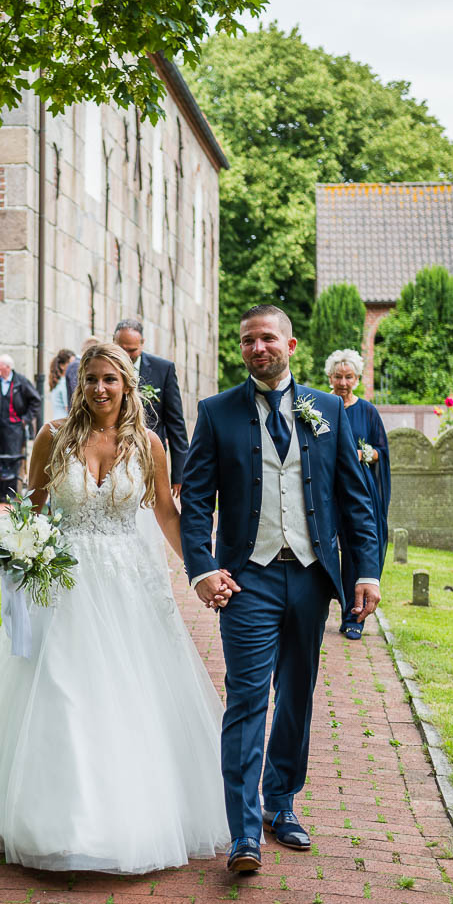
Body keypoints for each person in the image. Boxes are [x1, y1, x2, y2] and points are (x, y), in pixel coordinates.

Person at [0, 341, 230, 874]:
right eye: (92, 379)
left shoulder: (148, 444)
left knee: (128, 691)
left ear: (127, 386)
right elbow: (32, 505)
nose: (100, 389)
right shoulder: (53, 436)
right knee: (62, 687)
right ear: (81, 385)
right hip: (64, 585)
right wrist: (10, 543)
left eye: (110, 380)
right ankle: (56, 821)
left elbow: (169, 515)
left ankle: (129, 817)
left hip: (126, 585)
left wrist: (200, 570)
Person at [181, 305, 383, 874]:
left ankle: (281, 803)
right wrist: (202, 568)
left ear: (291, 345)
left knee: (296, 696)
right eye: (247, 341)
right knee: (246, 699)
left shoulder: (327, 410)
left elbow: (355, 499)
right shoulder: (217, 413)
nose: (257, 348)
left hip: (313, 575)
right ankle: (243, 833)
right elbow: (196, 501)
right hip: (248, 579)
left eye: (267, 338)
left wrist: (365, 571)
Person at [325, 349, 391, 640]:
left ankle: (353, 615)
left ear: (357, 378)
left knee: (355, 549)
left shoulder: (367, 411)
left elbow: (381, 452)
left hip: (358, 487)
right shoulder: (320, 406)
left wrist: (363, 454)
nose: (343, 382)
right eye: (338, 376)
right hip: (326, 487)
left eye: (348, 377)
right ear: (330, 377)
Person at [114, 318, 189, 496]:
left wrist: (179, 474)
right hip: (112, 453)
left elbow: (175, 423)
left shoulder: (163, 369)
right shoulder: (104, 366)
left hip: (150, 455)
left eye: (132, 350)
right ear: (114, 342)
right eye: (121, 348)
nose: (126, 355)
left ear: (142, 343)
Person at [0, 354, 40, 501]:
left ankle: (10, 494)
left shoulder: (20, 382)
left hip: (15, 427)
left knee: (12, 459)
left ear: (8, 367)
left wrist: (26, 419)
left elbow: (36, 400)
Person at [46, 348, 76, 422]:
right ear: (62, 366)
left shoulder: (58, 381)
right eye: (71, 363)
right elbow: (68, 407)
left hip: (57, 420)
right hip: (63, 423)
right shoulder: (63, 383)